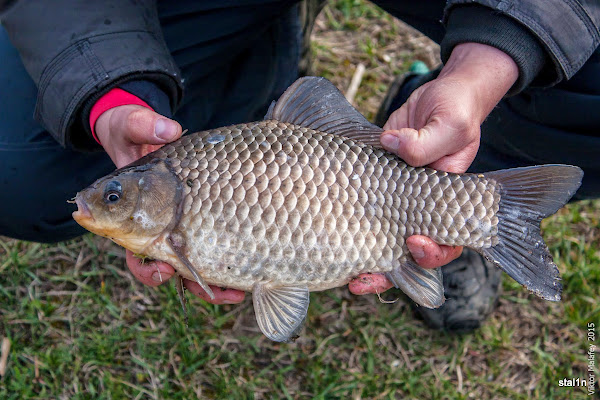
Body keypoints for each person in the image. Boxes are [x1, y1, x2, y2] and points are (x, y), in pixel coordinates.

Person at [1, 1, 598, 331]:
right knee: (15, 166)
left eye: (113, 198)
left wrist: (485, 63)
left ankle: (439, 157)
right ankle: (248, 61)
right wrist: (108, 95)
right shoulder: (174, 195)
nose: (101, 203)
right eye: (115, 198)